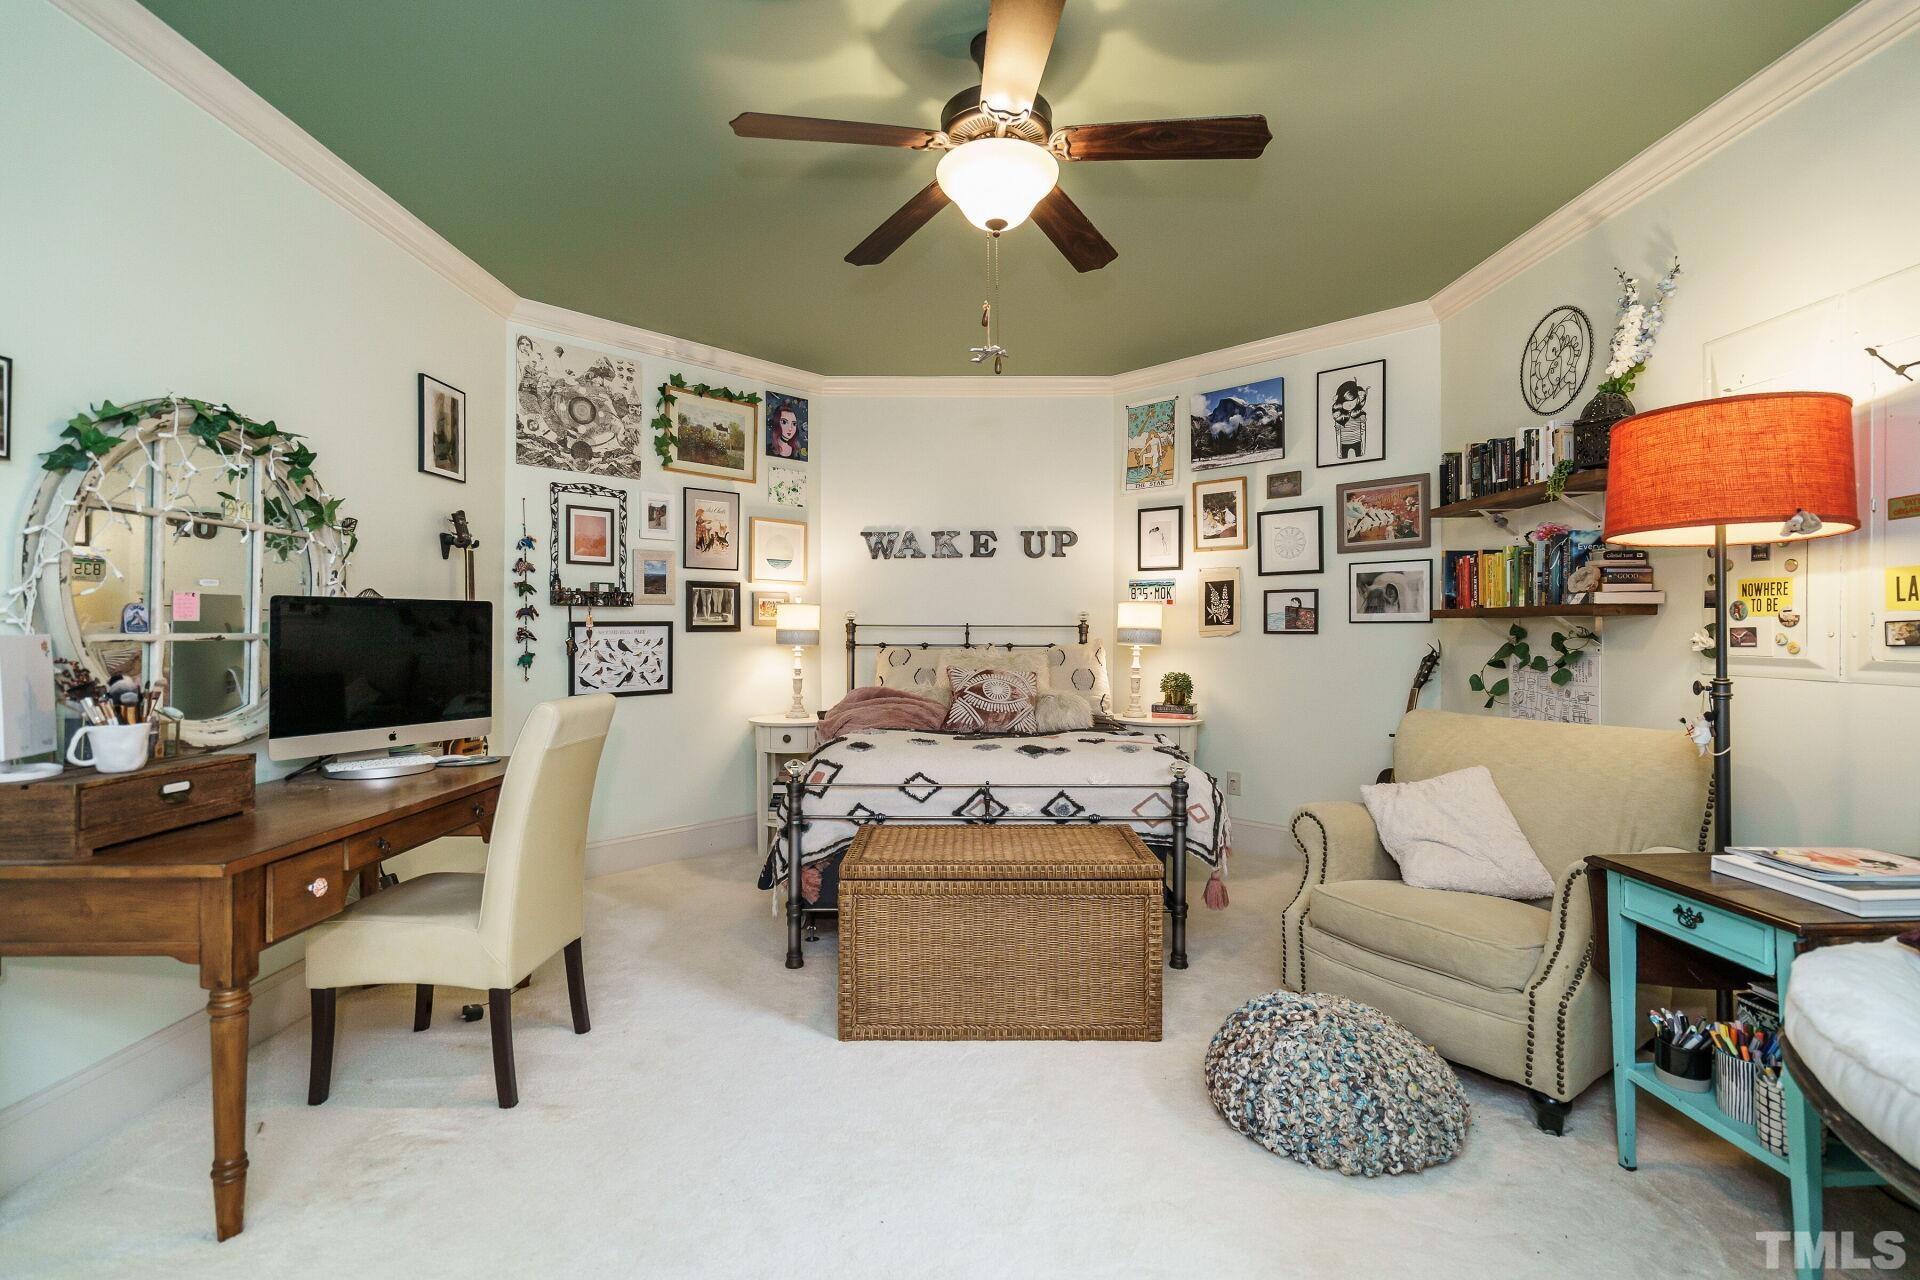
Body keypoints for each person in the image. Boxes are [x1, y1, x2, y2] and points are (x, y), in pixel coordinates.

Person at [1331, 379, 1369, 459]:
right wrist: (1338, 451)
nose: (1350, 405)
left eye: (1353, 402)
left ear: (1357, 400)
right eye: (1346, 402)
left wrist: (1363, 448)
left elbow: (1363, 431)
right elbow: (1338, 433)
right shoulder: (1339, 417)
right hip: (1344, 443)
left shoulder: (1360, 414)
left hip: (1357, 442)